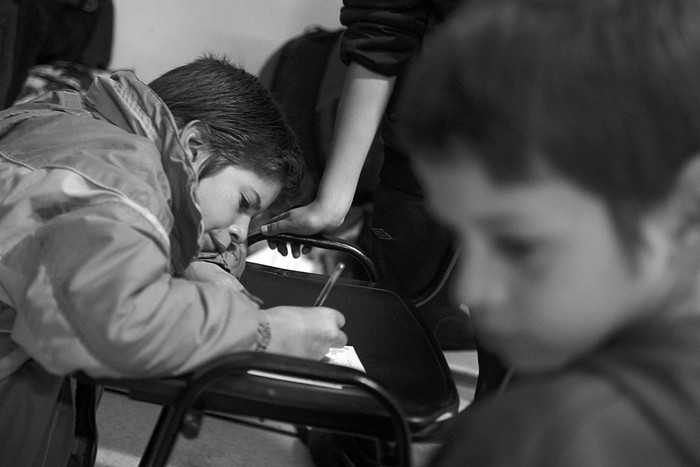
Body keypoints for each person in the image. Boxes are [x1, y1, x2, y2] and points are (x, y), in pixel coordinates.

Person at [0, 55, 347, 466]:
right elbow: (117, 324)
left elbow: (165, 235)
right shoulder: (120, 180)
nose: (240, 231)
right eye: (243, 203)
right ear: (195, 147)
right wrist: (266, 333)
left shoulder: (76, 120)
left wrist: (198, 263)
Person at [398, 0, 700, 465]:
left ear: (683, 209)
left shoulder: (535, 440)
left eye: (518, 246)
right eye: (461, 235)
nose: (471, 292)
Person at [257, 1, 479, 352]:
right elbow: (382, 33)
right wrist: (332, 202)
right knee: (394, 341)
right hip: (427, 160)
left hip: (559, 157)